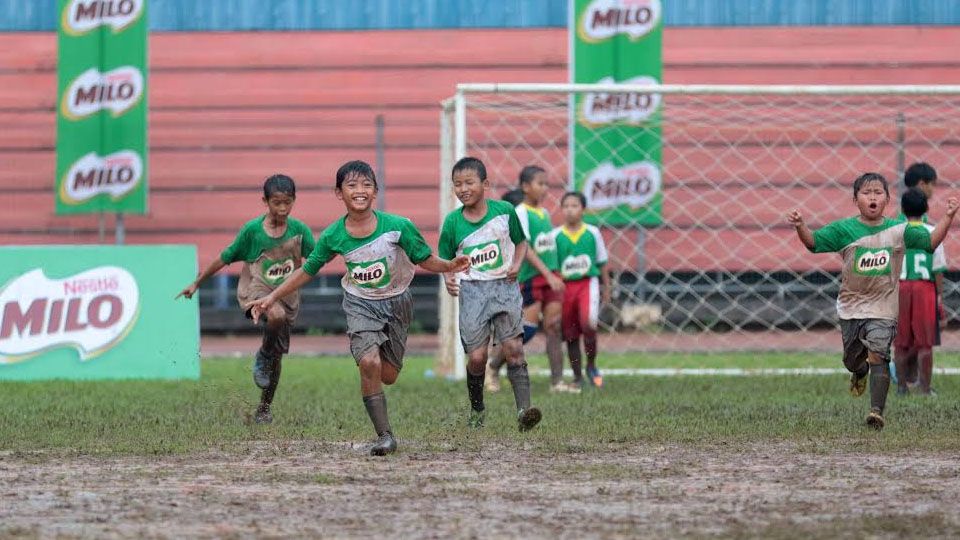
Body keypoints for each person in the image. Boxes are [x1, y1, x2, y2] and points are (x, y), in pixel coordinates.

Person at [250, 160, 469, 456]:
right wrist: (272, 296)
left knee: (388, 374)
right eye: (352, 185)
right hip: (359, 303)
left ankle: (379, 386)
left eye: (366, 185)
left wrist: (448, 266)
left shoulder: (398, 226)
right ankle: (385, 436)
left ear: (375, 191)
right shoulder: (333, 236)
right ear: (339, 193)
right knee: (369, 363)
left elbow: (425, 258)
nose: (360, 190)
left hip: (397, 301)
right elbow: (307, 270)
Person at [787, 172, 958, 430]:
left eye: (878, 193)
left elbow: (931, 242)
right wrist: (801, 227)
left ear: (888, 199)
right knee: (852, 358)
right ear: (856, 199)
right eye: (867, 193)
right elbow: (813, 244)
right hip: (851, 306)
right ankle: (858, 371)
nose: (873, 197)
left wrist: (948, 216)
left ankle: (876, 411)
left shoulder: (899, 231)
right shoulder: (843, 229)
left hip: (884, 305)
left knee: (879, 352)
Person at [177, 174, 315, 425]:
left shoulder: (300, 231)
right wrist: (197, 282)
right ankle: (262, 353)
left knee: (278, 356)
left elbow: (316, 261)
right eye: (276, 203)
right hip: (257, 291)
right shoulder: (252, 232)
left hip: (287, 295)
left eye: (288, 203)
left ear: (294, 200)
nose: (282, 209)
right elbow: (225, 257)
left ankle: (264, 407)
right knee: (275, 315)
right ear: (265, 201)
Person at [439, 156, 542, 431]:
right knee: (477, 358)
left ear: (485, 184)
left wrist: (517, 266)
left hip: (504, 288)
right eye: (457, 184)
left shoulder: (505, 211)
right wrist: (450, 278)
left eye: (469, 182)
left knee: (514, 350)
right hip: (472, 292)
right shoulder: (452, 223)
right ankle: (477, 408)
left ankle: (524, 412)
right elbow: (445, 261)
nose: (463, 189)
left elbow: (521, 243)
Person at [487, 166, 568, 393]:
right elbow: (526, 248)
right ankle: (492, 367)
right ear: (525, 187)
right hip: (533, 278)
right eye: (540, 184)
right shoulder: (521, 212)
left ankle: (557, 382)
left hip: (552, 276)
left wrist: (556, 272)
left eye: (546, 184)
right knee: (526, 330)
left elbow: (547, 246)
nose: (544, 189)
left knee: (554, 326)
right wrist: (547, 274)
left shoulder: (543, 213)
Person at [895, 162, 946, 393]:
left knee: (901, 341)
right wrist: (940, 298)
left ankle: (902, 386)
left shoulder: (895, 229)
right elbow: (938, 269)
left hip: (901, 286)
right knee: (925, 341)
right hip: (924, 287)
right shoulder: (931, 231)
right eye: (932, 186)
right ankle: (924, 387)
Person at [552, 192, 611, 390]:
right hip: (565, 288)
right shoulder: (556, 235)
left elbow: (602, 262)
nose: (570, 209)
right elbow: (553, 266)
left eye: (574, 205)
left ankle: (592, 365)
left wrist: (607, 288)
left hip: (587, 284)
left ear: (583, 209)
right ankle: (577, 376)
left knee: (588, 324)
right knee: (570, 333)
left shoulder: (593, 232)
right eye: (566, 206)